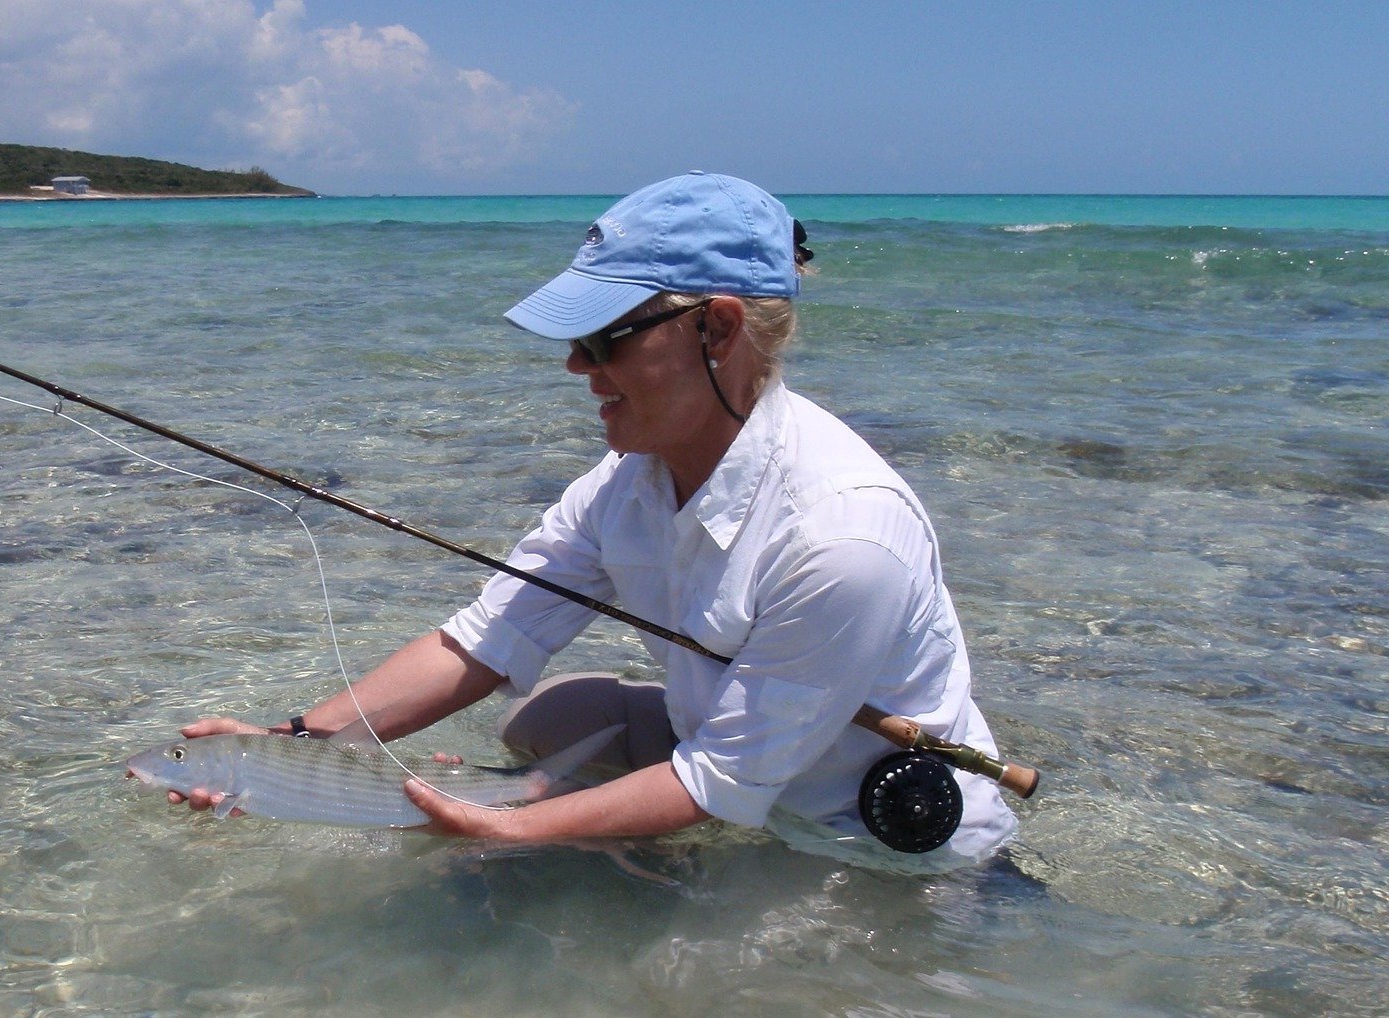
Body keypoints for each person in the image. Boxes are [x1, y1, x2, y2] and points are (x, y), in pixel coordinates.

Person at [170, 171, 1017, 863]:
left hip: (869, 843)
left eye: (607, 336)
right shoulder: (628, 480)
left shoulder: (844, 538)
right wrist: (294, 742)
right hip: (741, 767)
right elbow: (488, 636)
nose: (577, 364)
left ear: (718, 328)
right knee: (555, 718)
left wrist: (499, 827)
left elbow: (718, 778)